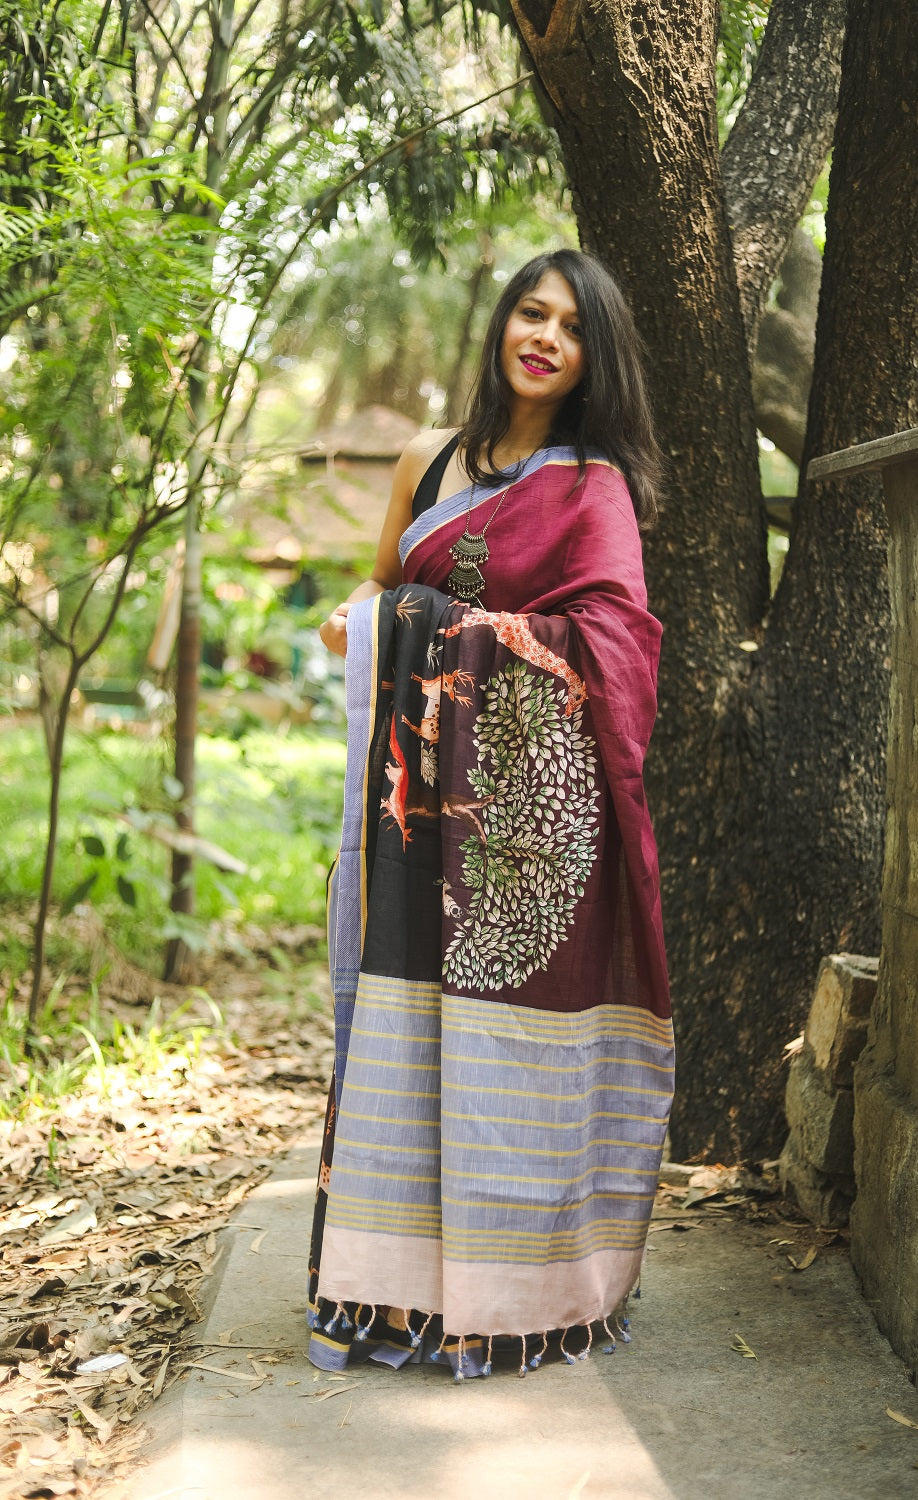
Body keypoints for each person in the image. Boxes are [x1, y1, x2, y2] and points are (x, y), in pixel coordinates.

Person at [308, 248, 674, 1380]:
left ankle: (513, 1294)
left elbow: (617, 646)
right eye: (532, 311)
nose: (546, 337)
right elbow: (385, 580)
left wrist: (447, 637)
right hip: (408, 813)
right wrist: (362, 614)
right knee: (398, 1037)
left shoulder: (591, 487)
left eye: (572, 328)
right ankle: (390, 1294)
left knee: (498, 1058)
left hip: (516, 838)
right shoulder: (428, 461)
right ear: (502, 324)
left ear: (590, 359)